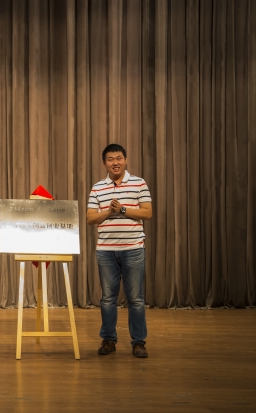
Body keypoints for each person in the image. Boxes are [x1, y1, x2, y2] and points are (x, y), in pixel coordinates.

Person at [86, 144, 153, 358]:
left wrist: (122, 210)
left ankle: (138, 342)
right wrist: (108, 212)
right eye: (110, 159)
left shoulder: (139, 183)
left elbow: (147, 213)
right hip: (106, 250)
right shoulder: (98, 187)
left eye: (119, 158)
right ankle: (108, 340)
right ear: (104, 163)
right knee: (108, 299)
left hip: (133, 248)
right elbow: (90, 218)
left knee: (136, 299)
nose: (115, 162)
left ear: (125, 160)